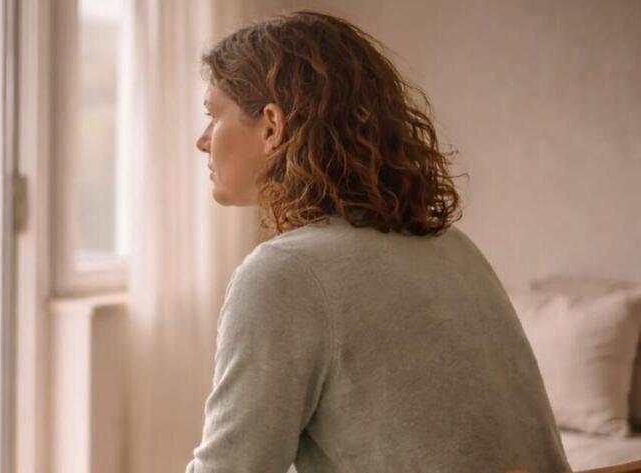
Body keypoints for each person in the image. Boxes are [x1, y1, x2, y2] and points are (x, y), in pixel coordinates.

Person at [187, 10, 571, 473]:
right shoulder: (454, 248)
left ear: (271, 125)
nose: (202, 141)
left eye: (212, 115)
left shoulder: (284, 273)